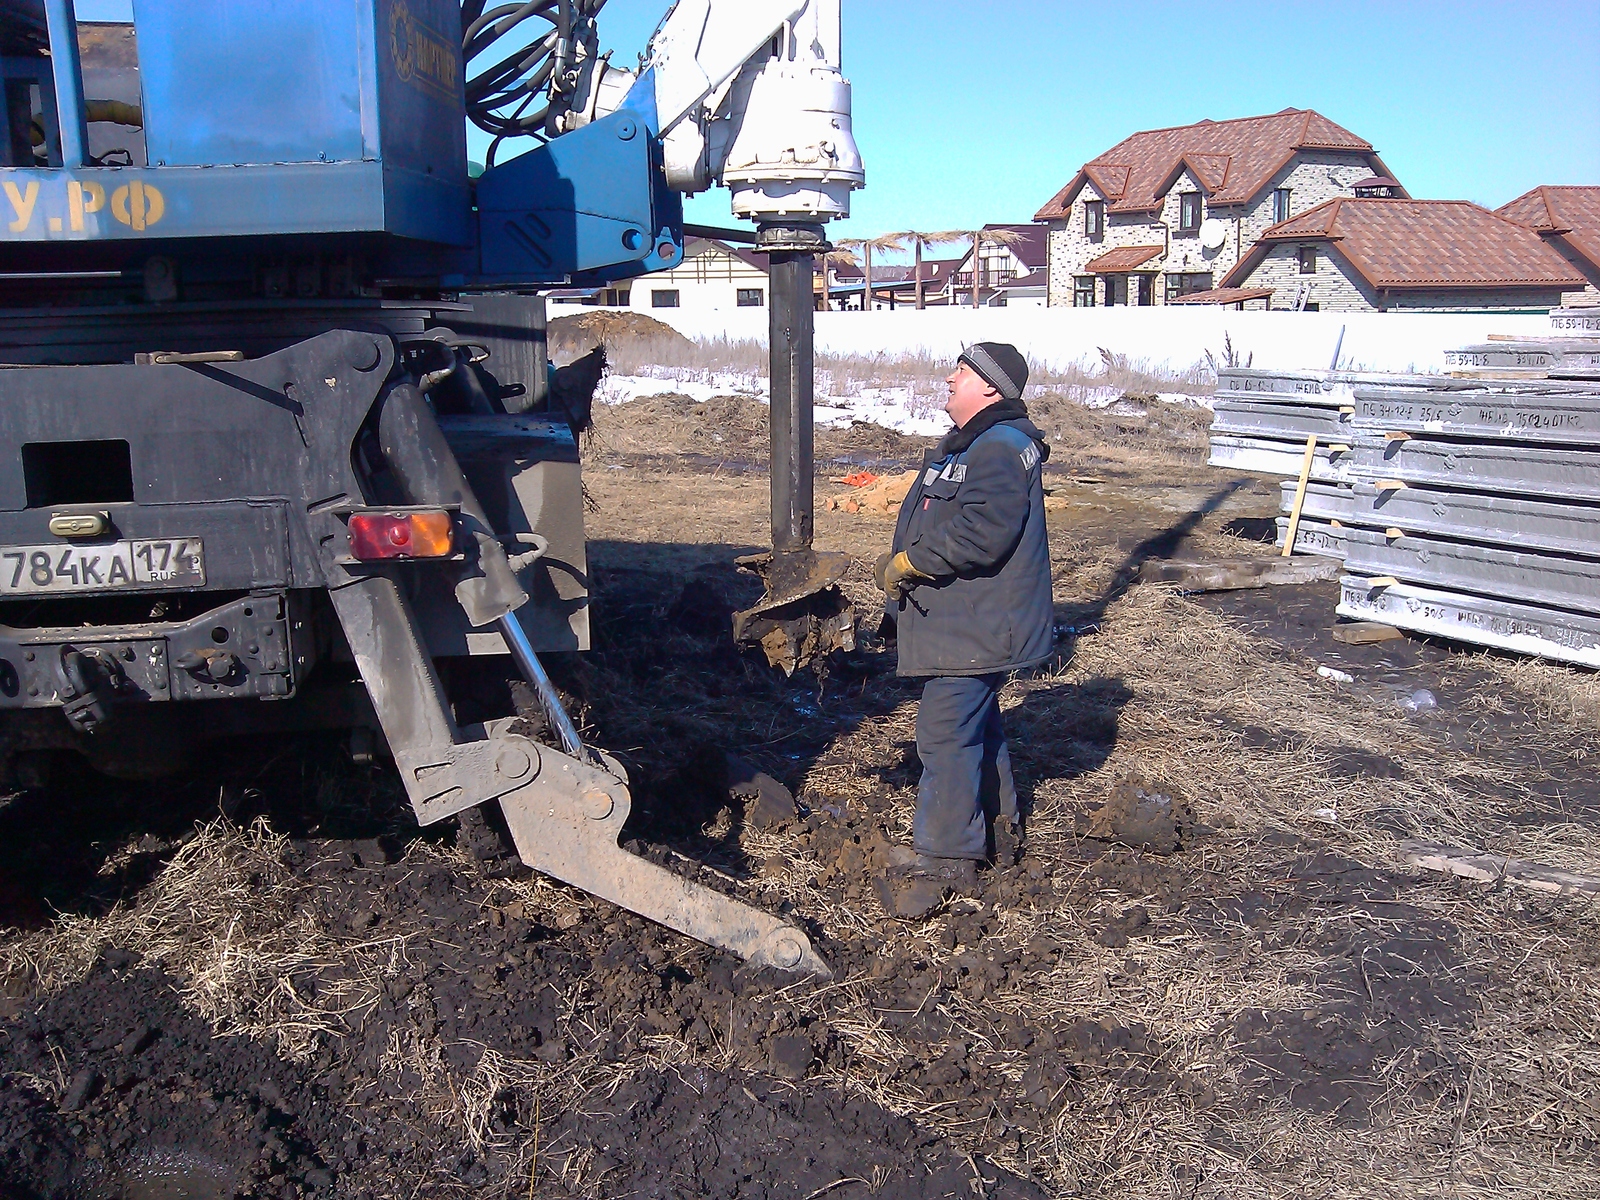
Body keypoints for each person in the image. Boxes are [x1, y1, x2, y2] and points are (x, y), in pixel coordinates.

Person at [872, 342, 1053, 918]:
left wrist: (912, 563)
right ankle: (997, 826)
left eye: (964, 372)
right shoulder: (976, 444)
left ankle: (947, 856)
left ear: (992, 389)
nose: (950, 378)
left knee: (945, 735)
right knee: (978, 729)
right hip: (970, 620)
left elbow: (982, 533)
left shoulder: (999, 448)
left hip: (977, 625)